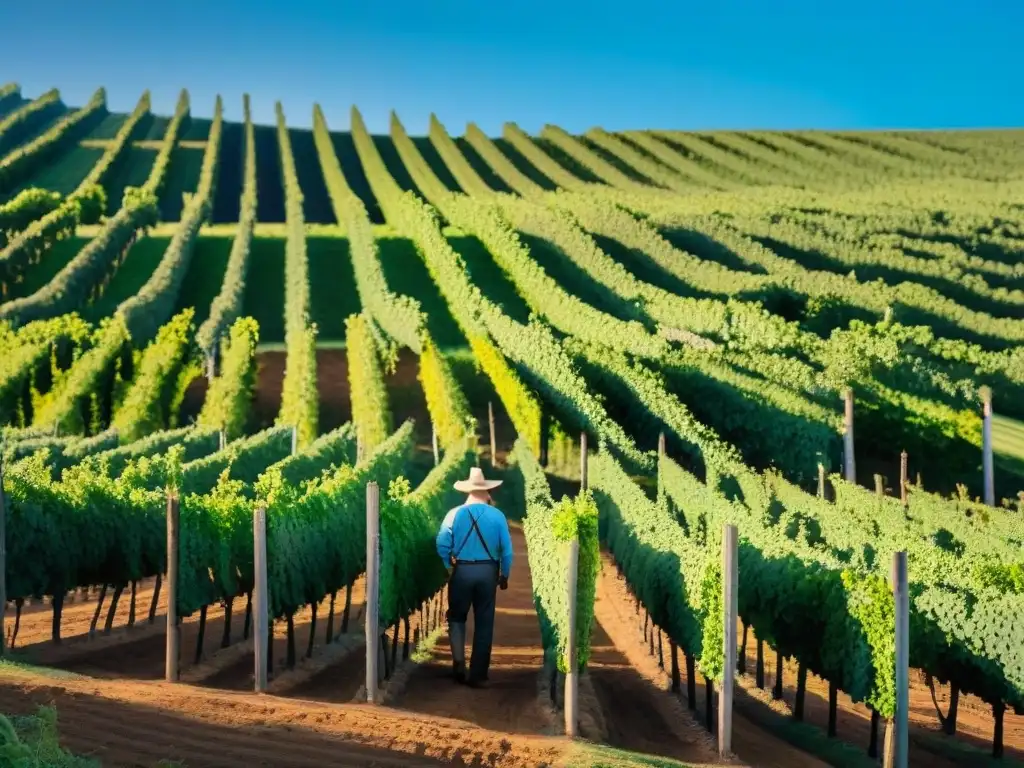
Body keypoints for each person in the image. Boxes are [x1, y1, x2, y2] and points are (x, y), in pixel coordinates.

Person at [435, 466, 513, 688]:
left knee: (457, 616)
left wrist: (446, 563)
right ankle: (478, 674)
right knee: (484, 622)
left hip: (462, 571)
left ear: (468, 492)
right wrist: (504, 575)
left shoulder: (454, 513)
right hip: (488, 572)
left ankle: (458, 662)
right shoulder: (497, 515)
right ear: (487, 492)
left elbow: (442, 542)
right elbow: (506, 551)